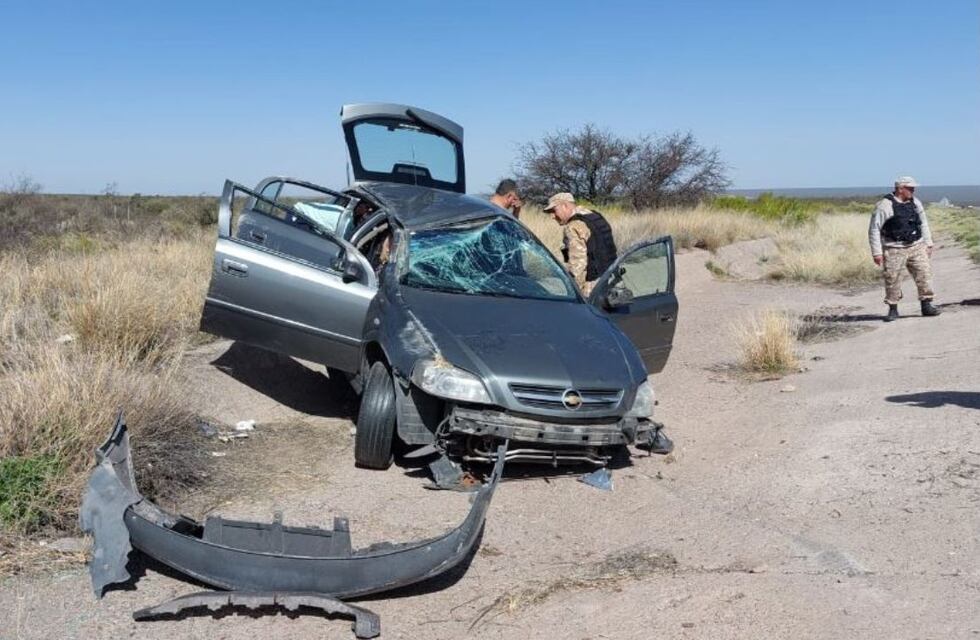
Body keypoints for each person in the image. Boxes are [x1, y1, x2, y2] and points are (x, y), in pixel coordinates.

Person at [868, 176, 940, 322]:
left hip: (916, 245)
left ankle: (926, 305)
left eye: (913, 188)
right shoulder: (884, 205)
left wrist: (929, 243)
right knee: (892, 279)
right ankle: (893, 309)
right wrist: (876, 253)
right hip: (894, 248)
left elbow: (923, 223)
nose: (913, 190)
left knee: (924, 275)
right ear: (900, 189)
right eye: (910, 188)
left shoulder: (915, 202)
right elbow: (874, 229)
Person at [544, 192, 617, 295]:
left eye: (554, 211)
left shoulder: (573, 226)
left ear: (565, 205)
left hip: (594, 287)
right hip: (613, 278)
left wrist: (574, 293)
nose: (552, 216)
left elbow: (577, 267)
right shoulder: (595, 216)